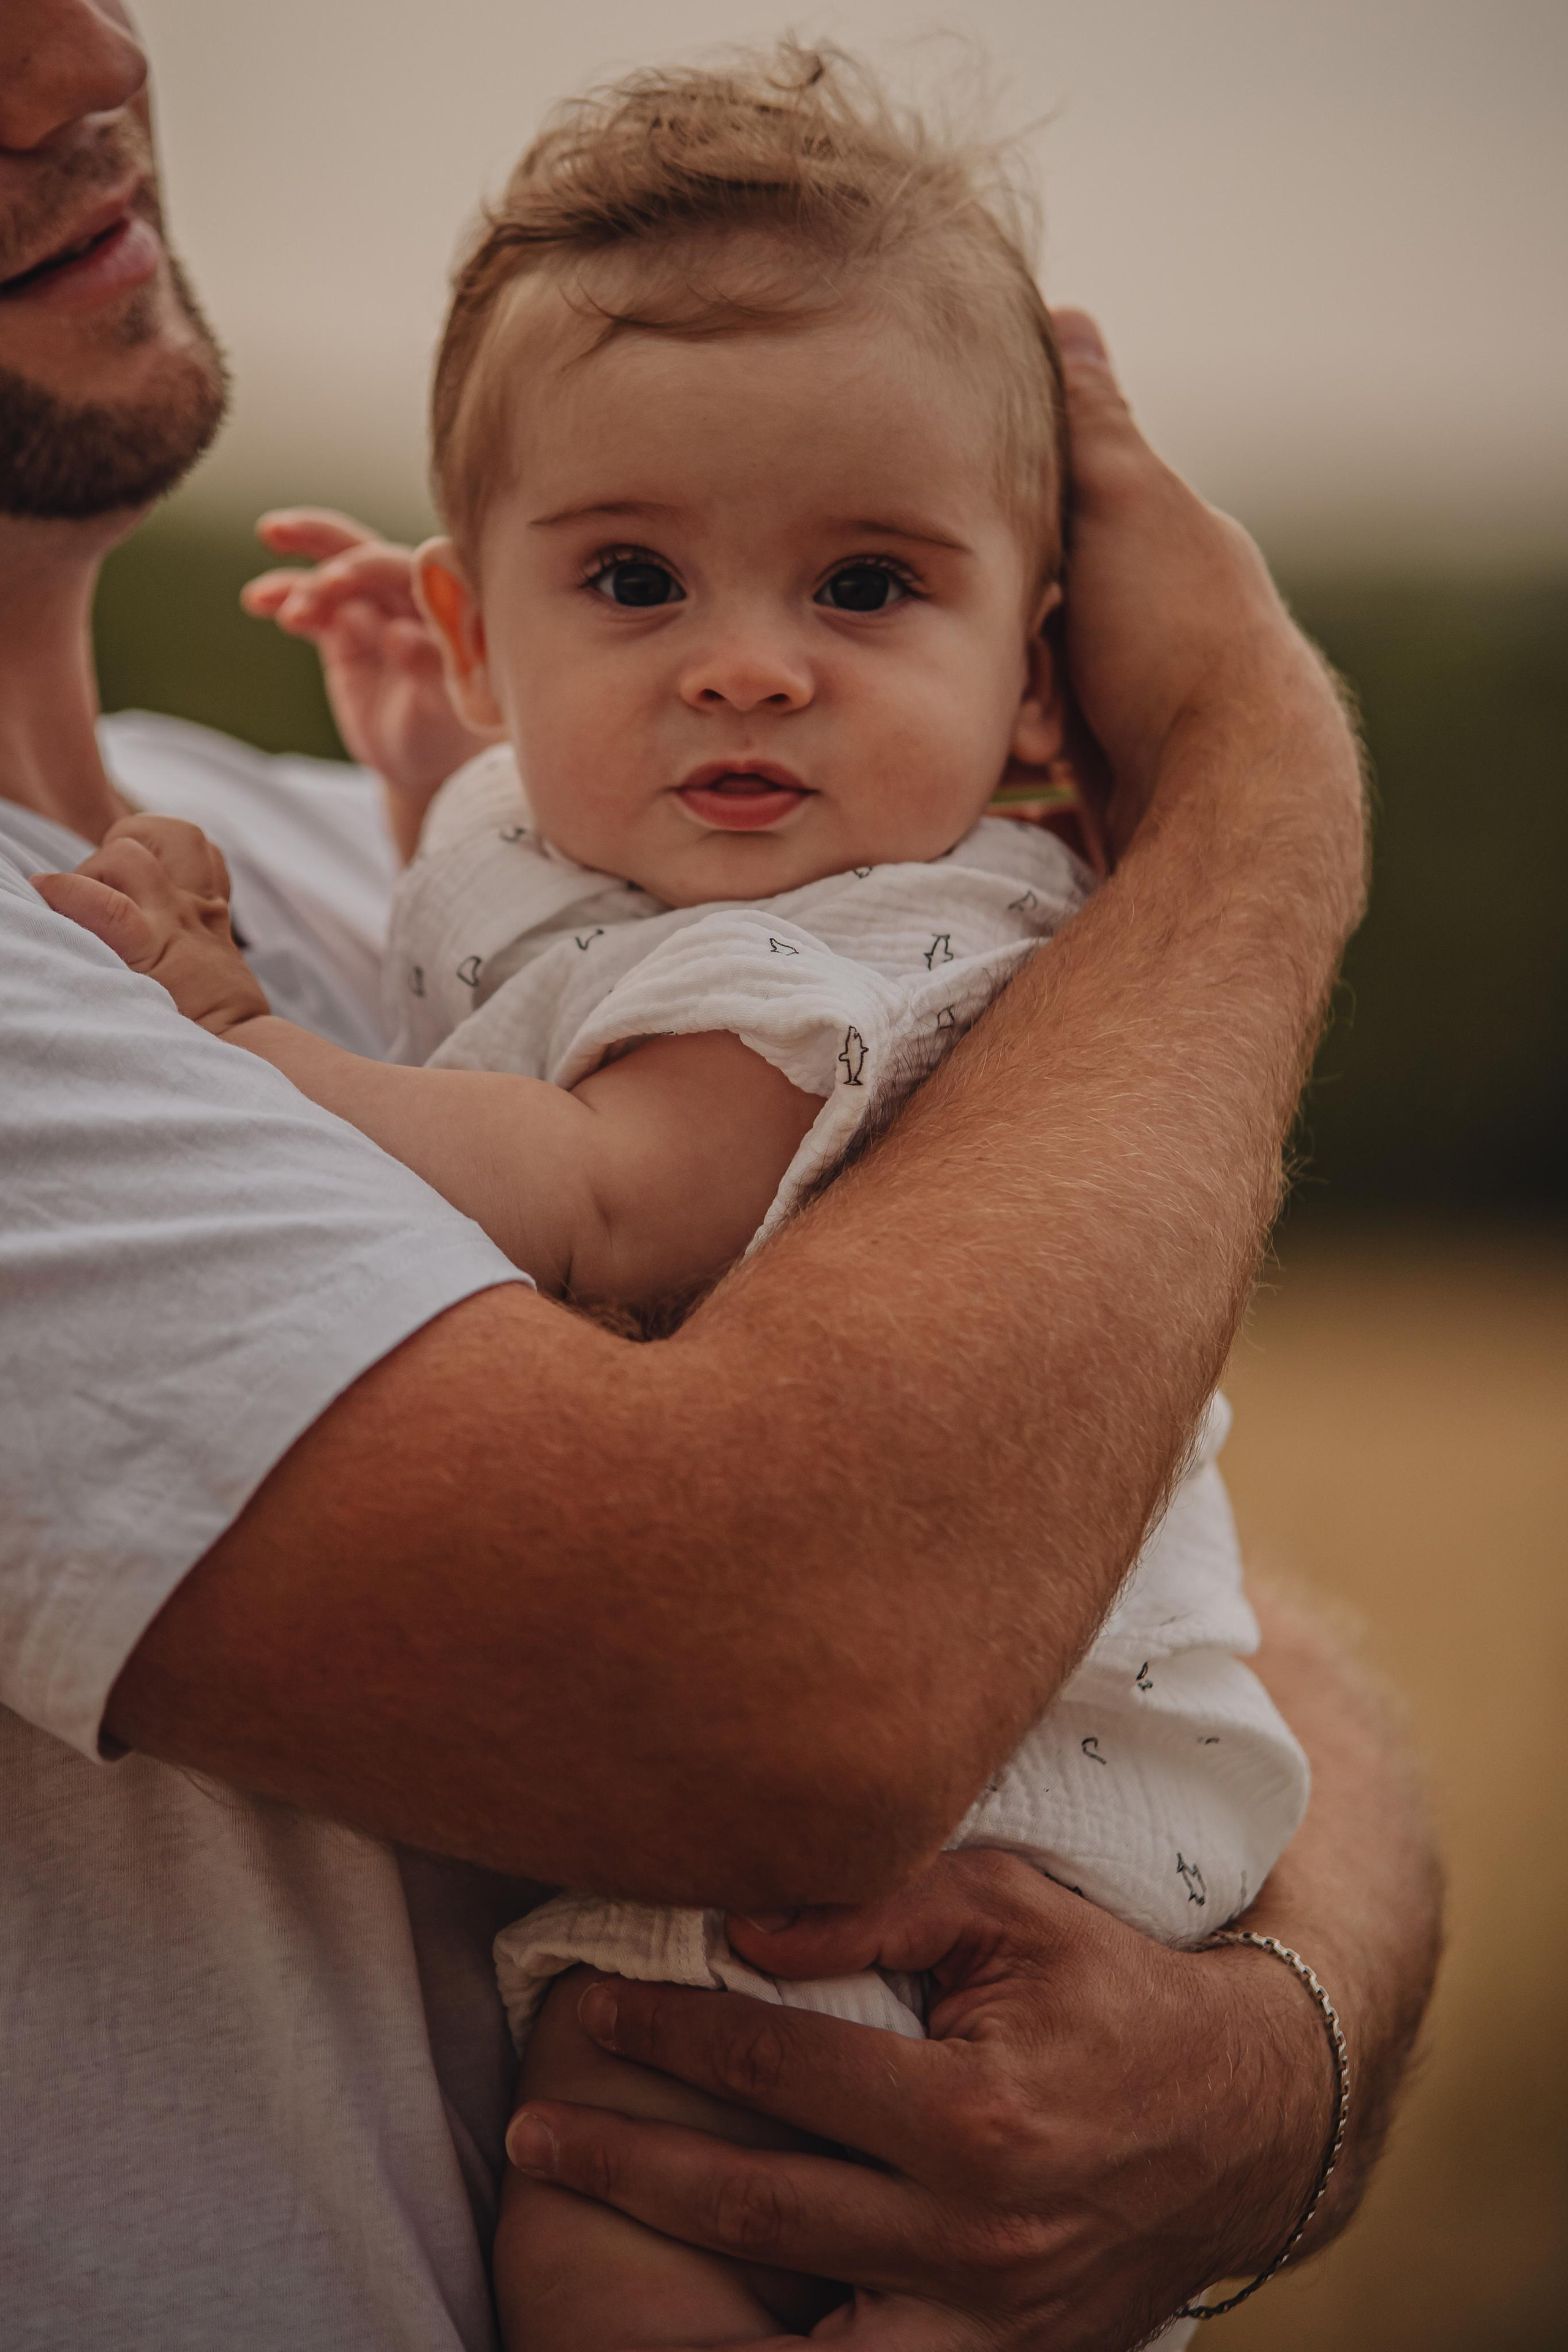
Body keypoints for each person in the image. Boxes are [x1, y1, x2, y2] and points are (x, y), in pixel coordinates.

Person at [0, 7, 1440, 2351]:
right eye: (636, 586)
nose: (747, 675)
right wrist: (1257, 812)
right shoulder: (534, 875)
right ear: (486, 629)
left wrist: (1268, 2055)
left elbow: (585, 1177)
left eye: (867, 589)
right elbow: (820, 1669)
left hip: (889, 1949)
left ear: (1041, 676)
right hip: (833, 1912)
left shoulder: (867, 935)